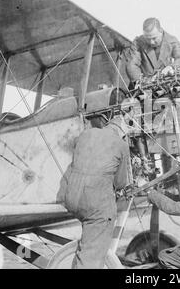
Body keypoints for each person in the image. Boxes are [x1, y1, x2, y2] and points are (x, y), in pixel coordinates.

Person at [57, 115, 133, 269]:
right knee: (91, 257)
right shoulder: (121, 144)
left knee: (89, 233)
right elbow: (120, 183)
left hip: (71, 198)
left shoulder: (86, 134)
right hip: (95, 206)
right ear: (122, 131)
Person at [126, 17, 180, 82]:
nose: (151, 42)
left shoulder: (171, 40)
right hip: (146, 84)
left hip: (166, 82)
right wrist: (142, 81)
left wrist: (171, 67)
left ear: (161, 31)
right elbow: (132, 65)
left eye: (154, 38)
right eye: (147, 38)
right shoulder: (137, 42)